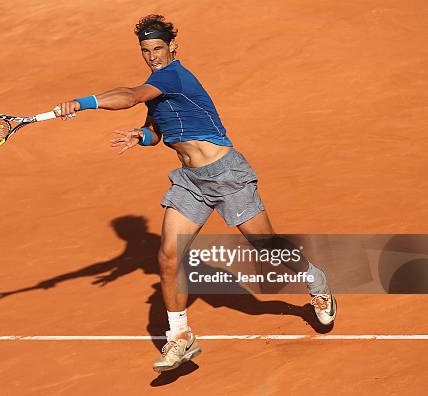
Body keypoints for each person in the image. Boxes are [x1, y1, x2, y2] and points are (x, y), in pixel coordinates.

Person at [54, 14, 337, 373]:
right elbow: (156, 133)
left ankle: (315, 279)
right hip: (191, 181)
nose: (153, 56)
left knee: (265, 245)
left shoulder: (172, 76)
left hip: (227, 175)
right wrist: (138, 137)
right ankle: (181, 335)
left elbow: (127, 97)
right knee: (169, 255)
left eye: (158, 48)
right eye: (146, 50)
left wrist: (80, 103)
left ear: (172, 47)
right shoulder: (156, 86)